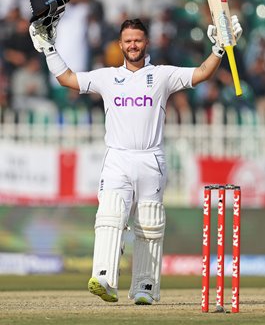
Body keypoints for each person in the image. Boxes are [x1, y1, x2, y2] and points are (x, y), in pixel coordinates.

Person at [29, 15, 242, 305]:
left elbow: (201, 73)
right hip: (117, 157)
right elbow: (67, 79)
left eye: (137, 40)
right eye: (128, 41)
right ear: (120, 44)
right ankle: (104, 277)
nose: (132, 45)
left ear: (146, 43)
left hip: (151, 159)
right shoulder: (106, 77)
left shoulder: (162, 75)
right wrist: (49, 49)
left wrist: (218, 49)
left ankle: (145, 287)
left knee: (149, 225)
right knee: (110, 216)